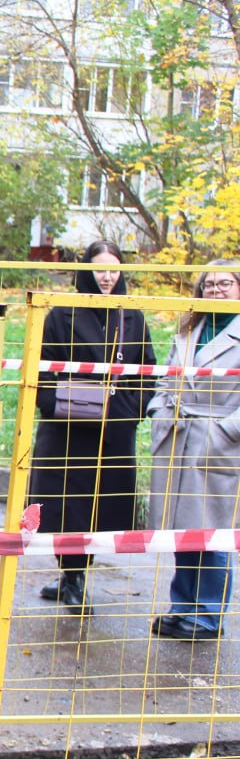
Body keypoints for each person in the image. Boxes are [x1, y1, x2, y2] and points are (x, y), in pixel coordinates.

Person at [28, 240, 157, 614]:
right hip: (68, 428)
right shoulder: (60, 313)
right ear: (86, 270)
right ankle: (71, 574)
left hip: (114, 430)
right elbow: (41, 367)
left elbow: (148, 370)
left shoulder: (132, 316)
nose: (107, 276)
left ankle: (77, 574)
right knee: (66, 505)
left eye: (114, 269)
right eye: (100, 268)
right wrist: (56, 405)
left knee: (103, 506)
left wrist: (130, 410)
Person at [146, 261, 240, 641]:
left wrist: (227, 431)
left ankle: (207, 615)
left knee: (213, 530)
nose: (216, 290)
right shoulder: (189, 329)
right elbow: (167, 376)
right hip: (178, 436)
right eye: (209, 284)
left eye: (225, 283)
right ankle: (182, 606)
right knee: (182, 529)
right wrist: (159, 410)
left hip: (218, 441)